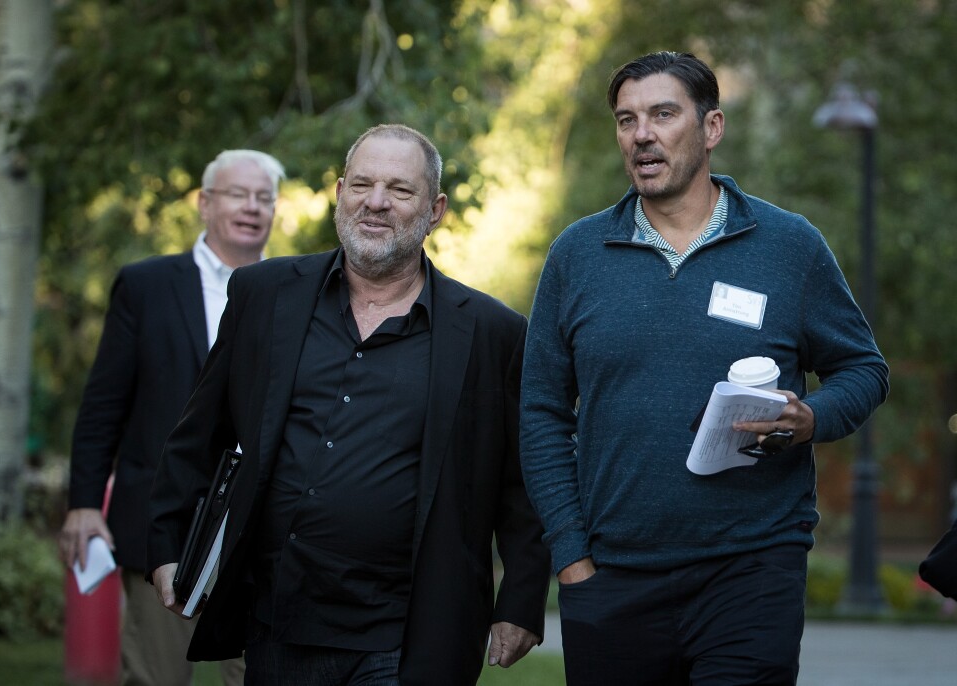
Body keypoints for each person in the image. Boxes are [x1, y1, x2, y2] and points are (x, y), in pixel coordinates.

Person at [519, 51, 889, 686]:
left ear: (711, 128)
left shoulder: (788, 245)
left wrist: (811, 418)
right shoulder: (576, 255)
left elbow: (863, 368)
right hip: (612, 580)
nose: (642, 134)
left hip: (751, 571)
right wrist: (571, 556)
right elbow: (541, 414)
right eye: (627, 119)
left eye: (663, 114)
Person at [147, 124, 551, 685]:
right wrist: (167, 546)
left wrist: (521, 600)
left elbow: (522, 483)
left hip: (410, 631)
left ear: (435, 210)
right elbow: (196, 435)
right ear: (340, 193)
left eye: (399, 190)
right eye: (361, 184)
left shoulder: (493, 332)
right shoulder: (263, 297)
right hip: (278, 620)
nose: (376, 202)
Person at [58, 149, 286, 686]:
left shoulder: (296, 288)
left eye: (264, 198)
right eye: (238, 194)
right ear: (205, 203)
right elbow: (103, 403)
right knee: (156, 677)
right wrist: (85, 503)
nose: (252, 207)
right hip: (164, 519)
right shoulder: (146, 285)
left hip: (262, 527)